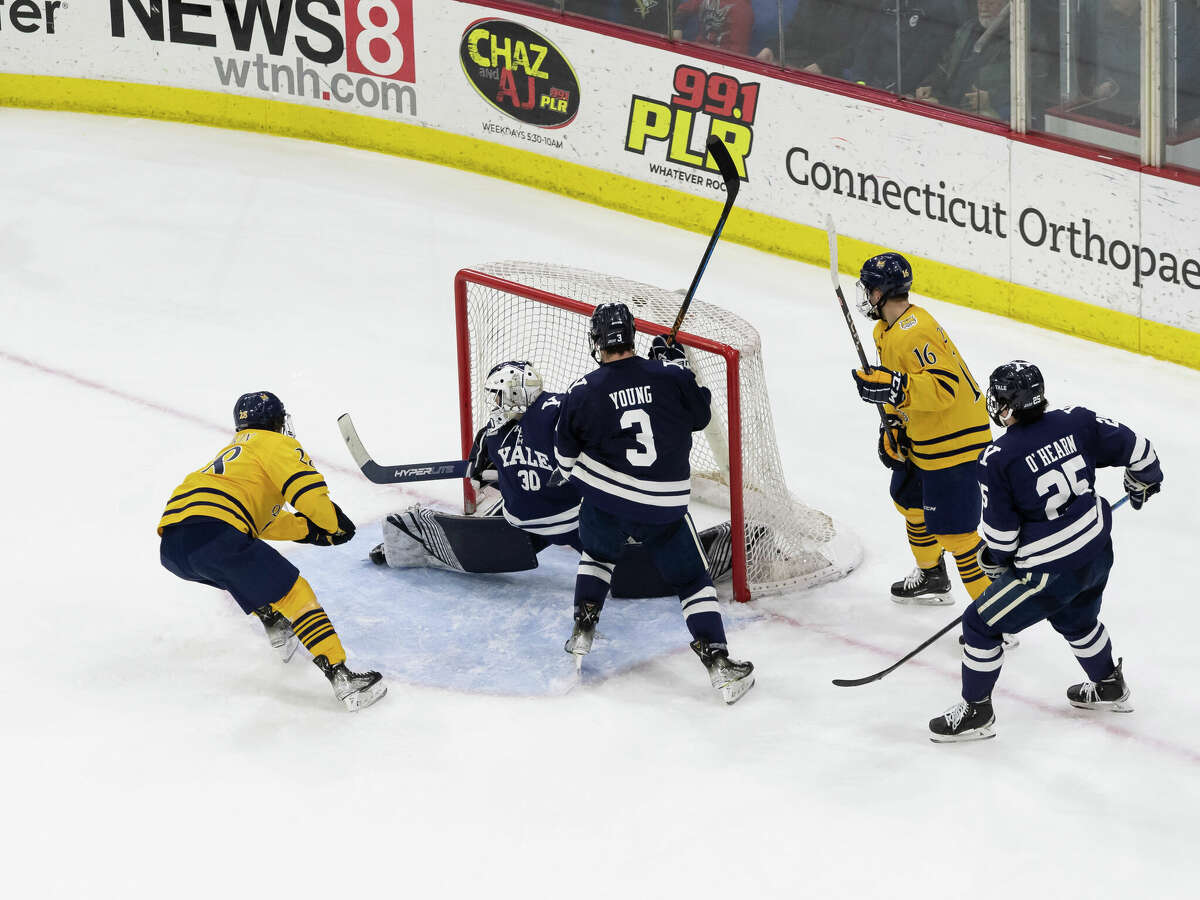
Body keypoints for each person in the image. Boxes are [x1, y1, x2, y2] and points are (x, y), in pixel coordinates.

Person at [928, 361, 1163, 741]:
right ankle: (1108, 685)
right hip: (1097, 550)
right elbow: (1141, 451)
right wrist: (1144, 480)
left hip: (1049, 572)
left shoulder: (997, 458)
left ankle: (976, 713)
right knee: (1078, 621)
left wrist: (993, 561)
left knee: (980, 625)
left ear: (1007, 405)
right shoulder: (1076, 421)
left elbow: (1001, 539)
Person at [370, 360, 739, 597]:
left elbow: (487, 474)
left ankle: (410, 542)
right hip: (576, 521)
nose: (495, 404)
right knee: (621, 535)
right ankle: (707, 555)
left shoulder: (491, 433)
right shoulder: (561, 408)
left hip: (523, 523)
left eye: (498, 396)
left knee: (510, 508)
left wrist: (490, 473)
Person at [554, 303, 755, 704]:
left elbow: (564, 460)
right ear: (632, 335)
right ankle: (718, 663)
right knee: (692, 582)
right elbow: (699, 415)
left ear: (597, 340)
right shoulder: (671, 377)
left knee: (597, 556)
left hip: (605, 505)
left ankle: (584, 623)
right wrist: (676, 365)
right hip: (664, 509)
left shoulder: (582, 390)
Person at [157, 391, 386, 711]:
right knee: (295, 593)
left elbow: (259, 523)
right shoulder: (277, 444)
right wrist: (331, 525)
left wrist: (306, 531)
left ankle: (274, 622)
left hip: (174, 547)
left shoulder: (234, 453)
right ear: (278, 422)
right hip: (217, 534)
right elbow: (305, 492)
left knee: (239, 570)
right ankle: (343, 678)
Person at [850, 252, 994, 607]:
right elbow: (899, 387)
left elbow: (944, 388)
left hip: (956, 440)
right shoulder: (886, 330)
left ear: (881, 292)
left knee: (957, 535)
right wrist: (893, 427)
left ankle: (997, 619)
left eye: (868, 289)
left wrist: (896, 387)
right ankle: (932, 575)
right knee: (910, 500)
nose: (865, 296)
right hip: (926, 436)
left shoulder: (917, 330)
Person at [916, 0, 1013, 120]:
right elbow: (946, 64)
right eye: (980, 3)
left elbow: (1034, 87)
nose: (984, 8)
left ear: (1006, 6)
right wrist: (930, 85)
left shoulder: (1019, 38)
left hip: (985, 113)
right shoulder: (968, 28)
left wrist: (991, 98)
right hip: (950, 103)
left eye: (990, 4)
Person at [674, 0, 755, 55]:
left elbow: (738, 50)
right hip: (696, 51)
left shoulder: (743, 10)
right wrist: (677, 28)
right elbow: (684, 9)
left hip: (721, 60)